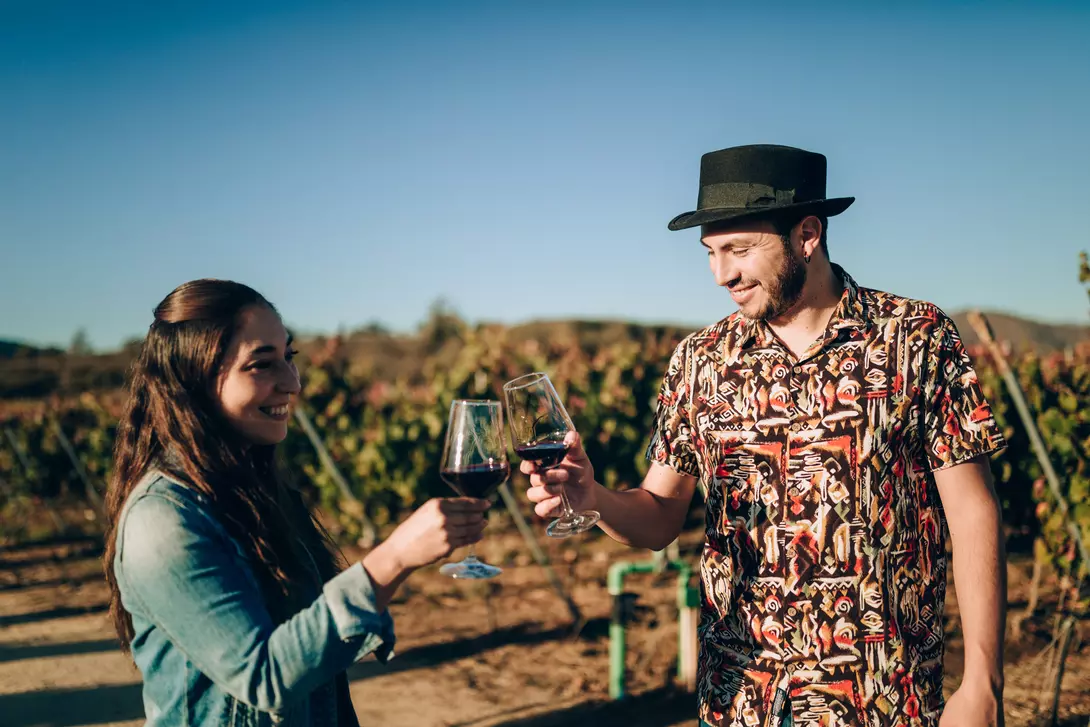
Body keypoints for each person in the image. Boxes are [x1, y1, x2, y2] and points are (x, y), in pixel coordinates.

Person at [524, 145, 1006, 727]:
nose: (721, 273)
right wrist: (592, 498)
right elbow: (658, 517)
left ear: (807, 234)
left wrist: (983, 681)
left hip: (884, 698)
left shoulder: (916, 337)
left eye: (739, 250)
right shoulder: (699, 361)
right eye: (710, 252)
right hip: (741, 701)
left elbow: (972, 510)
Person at [102, 279, 490, 726]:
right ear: (193, 381)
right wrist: (394, 558)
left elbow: (312, 655)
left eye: (289, 358)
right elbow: (264, 678)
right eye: (262, 365)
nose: (293, 382)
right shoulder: (163, 519)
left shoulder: (258, 492)